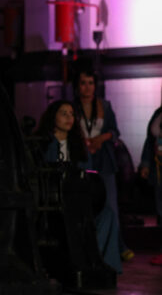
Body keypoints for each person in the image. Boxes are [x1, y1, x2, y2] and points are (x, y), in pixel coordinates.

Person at [36, 100, 123, 273]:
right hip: (53, 199)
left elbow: (87, 174)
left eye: (71, 114)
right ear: (53, 117)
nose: (69, 118)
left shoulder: (78, 145)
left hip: (78, 197)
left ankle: (101, 264)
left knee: (107, 214)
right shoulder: (43, 143)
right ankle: (82, 260)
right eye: (64, 114)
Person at [73, 67, 134, 263]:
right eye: (83, 83)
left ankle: (118, 246)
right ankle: (91, 248)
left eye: (91, 83)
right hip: (83, 159)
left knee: (110, 206)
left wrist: (101, 138)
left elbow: (115, 132)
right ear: (77, 86)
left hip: (104, 160)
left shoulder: (104, 106)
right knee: (86, 206)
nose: (87, 87)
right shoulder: (72, 108)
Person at [138, 106, 162, 265]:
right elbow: (149, 141)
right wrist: (145, 164)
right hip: (158, 168)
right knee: (160, 210)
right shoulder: (159, 113)